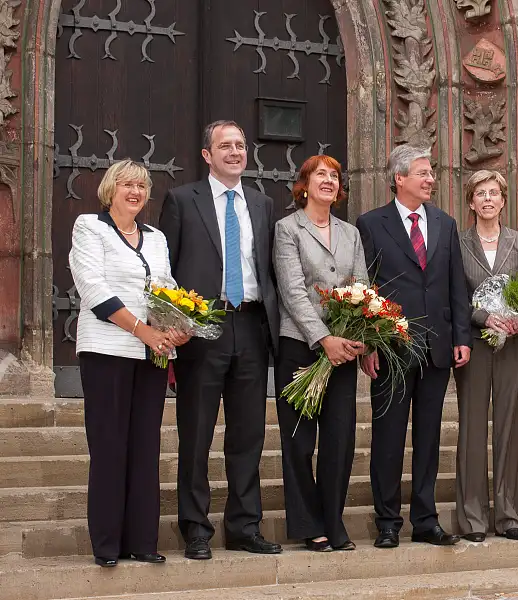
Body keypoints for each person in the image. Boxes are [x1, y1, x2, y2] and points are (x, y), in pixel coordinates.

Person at [158, 120, 282, 559]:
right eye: (224, 146)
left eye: (240, 145)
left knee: (248, 436)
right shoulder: (180, 200)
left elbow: (268, 268)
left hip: (250, 327)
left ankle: (245, 526)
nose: (235, 152)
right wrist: (172, 327)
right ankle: (195, 528)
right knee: (196, 434)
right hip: (201, 331)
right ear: (207, 155)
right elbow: (164, 270)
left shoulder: (262, 203)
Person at [69, 159, 190, 567]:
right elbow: (95, 291)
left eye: (141, 186)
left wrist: (177, 327)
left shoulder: (155, 237)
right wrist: (144, 331)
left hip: (152, 356)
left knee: (145, 447)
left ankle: (142, 541)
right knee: (109, 447)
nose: (135, 192)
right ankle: (107, 545)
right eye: (127, 185)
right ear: (110, 190)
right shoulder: (90, 228)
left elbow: (167, 288)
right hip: (107, 352)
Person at [357, 145, 472, 549]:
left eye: (431, 173)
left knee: (429, 436)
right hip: (391, 346)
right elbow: (365, 287)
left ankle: (425, 519)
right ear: (399, 178)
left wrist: (461, 337)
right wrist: (369, 344)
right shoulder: (371, 223)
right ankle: (388, 520)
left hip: (438, 347)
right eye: (422, 173)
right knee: (388, 437)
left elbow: (455, 283)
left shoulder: (445, 223)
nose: (430, 179)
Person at [273, 155, 367, 552]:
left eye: (334, 176)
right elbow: (292, 290)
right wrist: (323, 338)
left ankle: (333, 520)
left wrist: (358, 333)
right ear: (305, 184)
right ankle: (309, 524)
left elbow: (361, 284)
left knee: (339, 440)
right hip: (300, 345)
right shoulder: (286, 229)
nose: (329, 181)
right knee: (298, 440)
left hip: (343, 349)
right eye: (321, 175)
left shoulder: (351, 233)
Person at [454, 170, 518, 543]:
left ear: (503, 201)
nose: (488, 199)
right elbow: (453, 295)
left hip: (513, 346)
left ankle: (508, 515)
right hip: (473, 342)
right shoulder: (457, 242)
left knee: (509, 427)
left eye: (494, 193)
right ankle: (472, 518)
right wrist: (485, 316)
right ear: (471, 202)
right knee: (472, 429)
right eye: (480, 194)